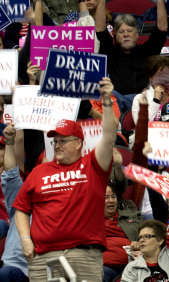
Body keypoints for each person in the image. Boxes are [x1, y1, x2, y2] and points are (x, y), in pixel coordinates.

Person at [14, 78, 118, 281]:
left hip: (83, 255)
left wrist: (106, 101)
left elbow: (108, 135)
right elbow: (21, 209)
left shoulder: (93, 166)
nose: (57, 145)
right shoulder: (39, 171)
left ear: (78, 143)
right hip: (43, 257)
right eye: (55, 141)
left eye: (63, 141)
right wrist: (25, 239)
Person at [120, 198, 169, 282]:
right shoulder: (132, 268)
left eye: (147, 236)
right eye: (140, 237)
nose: (141, 240)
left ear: (160, 240)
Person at [0, 124, 28, 282]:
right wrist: (9, 142)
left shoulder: (60, 204)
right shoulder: (21, 198)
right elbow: (11, 174)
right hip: (14, 268)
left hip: (43, 266)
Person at [103, 183, 142, 281]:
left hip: (132, 264)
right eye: (106, 197)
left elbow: (146, 232)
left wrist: (139, 242)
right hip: (104, 266)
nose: (111, 200)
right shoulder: (90, 218)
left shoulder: (130, 213)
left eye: (113, 196)